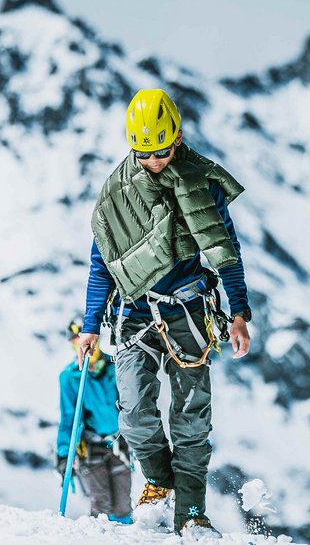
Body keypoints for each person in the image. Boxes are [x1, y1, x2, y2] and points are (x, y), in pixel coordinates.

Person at [76, 89, 252, 537]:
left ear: (177, 137)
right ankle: (159, 478)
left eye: (162, 150)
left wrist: (239, 312)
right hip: (134, 314)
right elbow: (103, 263)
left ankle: (191, 513)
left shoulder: (202, 182)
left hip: (190, 311)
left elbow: (225, 252)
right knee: (133, 411)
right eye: (144, 153)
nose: (155, 160)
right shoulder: (117, 194)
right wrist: (91, 324)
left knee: (192, 418)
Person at [56, 321, 133, 524]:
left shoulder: (115, 367)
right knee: (102, 504)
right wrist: (64, 454)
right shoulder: (70, 378)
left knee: (123, 505)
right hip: (89, 447)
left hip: (118, 443)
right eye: (77, 341)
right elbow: (69, 418)